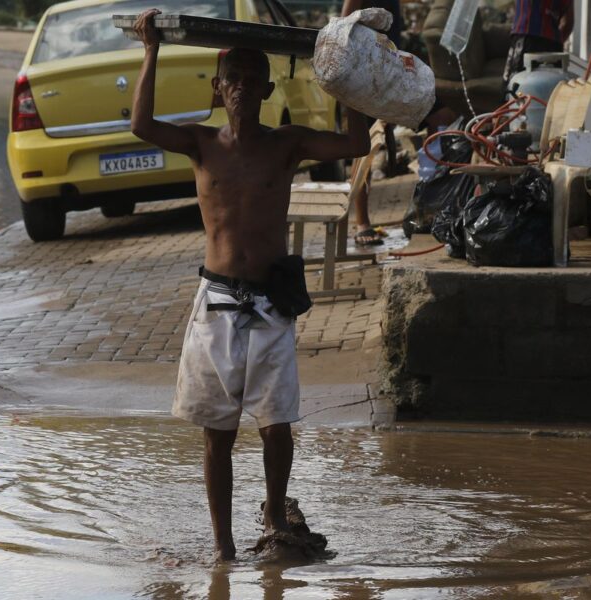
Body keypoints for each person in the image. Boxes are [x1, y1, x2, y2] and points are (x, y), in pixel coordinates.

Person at [130, 9, 370, 562]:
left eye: (251, 79)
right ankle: (223, 548)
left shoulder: (286, 144)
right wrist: (151, 49)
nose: (240, 87)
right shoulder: (200, 143)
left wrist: (344, 70)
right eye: (231, 79)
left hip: (269, 305)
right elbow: (142, 126)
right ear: (217, 90)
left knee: (276, 425)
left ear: (266, 89)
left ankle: (276, 520)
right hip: (215, 304)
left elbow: (356, 142)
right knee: (217, 432)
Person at [340, 0, 405, 245]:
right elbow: (342, 28)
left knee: (439, 115)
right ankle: (362, 221)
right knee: (363, 148)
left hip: (387, 70)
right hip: (362, 75)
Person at [503, 0, 574, 92]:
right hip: (552, 43)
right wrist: (555, 40)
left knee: (513, 91)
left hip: (525, 37)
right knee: (552, 92)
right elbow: (568, 21)